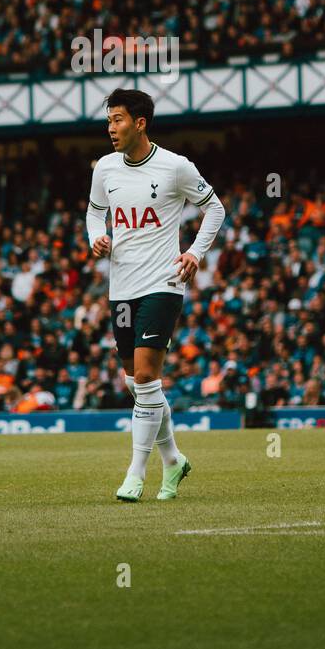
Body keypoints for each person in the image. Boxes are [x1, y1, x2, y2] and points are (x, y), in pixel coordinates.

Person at [86, 88, 225, 501]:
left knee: (146, 376)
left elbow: (215, 207)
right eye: (109, 120)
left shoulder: (175, 167)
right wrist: (97, 236)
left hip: (163, 283)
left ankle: (135, 473)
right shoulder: (105, 169)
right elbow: (95, 212)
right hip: (122, 286)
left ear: (140, 123)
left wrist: (196, 253)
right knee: (136, 383)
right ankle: (173, 460)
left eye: (118, 120)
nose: (111, 128)